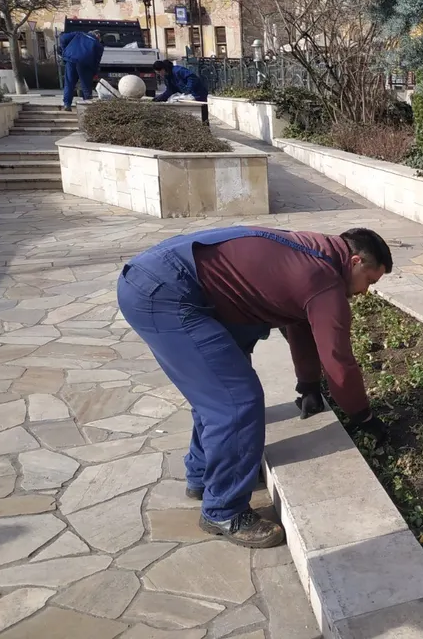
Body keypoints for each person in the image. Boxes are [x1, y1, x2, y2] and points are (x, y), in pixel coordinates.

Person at [116, 226, 392, 548]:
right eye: (369, 282)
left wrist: (309, 386)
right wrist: (364, 418)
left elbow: (300, 325)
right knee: (235, 400)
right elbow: (339, 362)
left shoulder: (315, 253)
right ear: (356, 261)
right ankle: (224, 510)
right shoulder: (325, 282)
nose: (364, 292)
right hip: (169, 292)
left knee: (216, 390)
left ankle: (203, 475)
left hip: (161, 276)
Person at [59, 29, 104, 111]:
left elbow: (62, 38)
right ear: (97, 36)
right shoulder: (98, 45)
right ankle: (87, 107)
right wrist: (94, 73)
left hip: (71, 59)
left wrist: (64, 51)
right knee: (86, 86)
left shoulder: (78, 34)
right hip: (85, 64)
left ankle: (67, 104)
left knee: (69, 84)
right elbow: (96, 62)